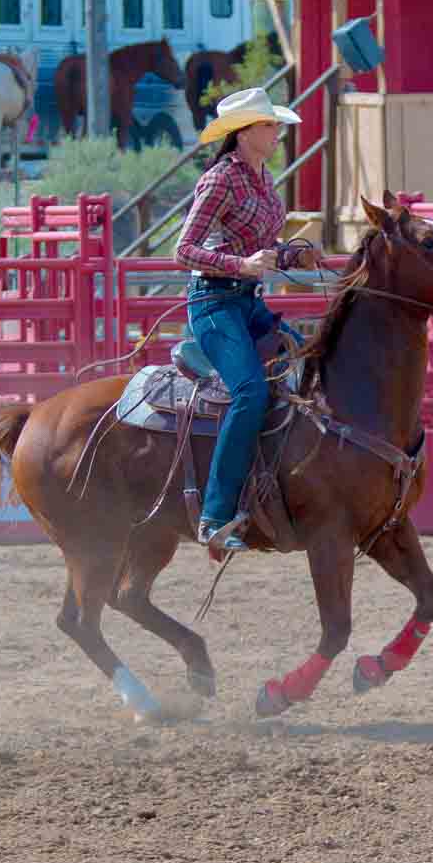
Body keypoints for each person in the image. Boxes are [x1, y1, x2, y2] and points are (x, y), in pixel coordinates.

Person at [175, 87, 304, 552]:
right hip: (213, 303)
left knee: (305, 362)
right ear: (245, 132)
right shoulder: (219, 180)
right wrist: (241, 265)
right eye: (270, 125)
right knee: (250, 391)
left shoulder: (263, 177)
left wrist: (286, 253)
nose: (277, 132)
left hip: (248, 303)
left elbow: (263, 242)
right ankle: (214, 516)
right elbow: (183, 250)